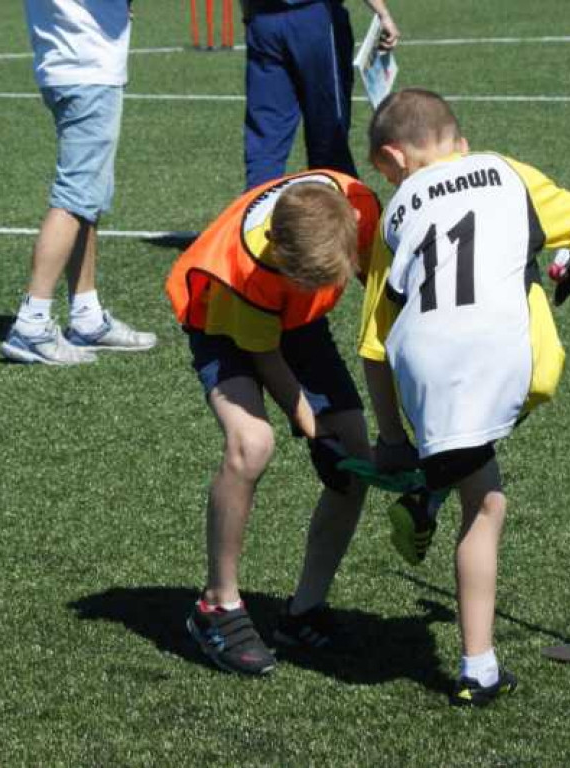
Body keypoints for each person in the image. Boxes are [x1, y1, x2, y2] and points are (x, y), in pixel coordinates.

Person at [357, 89, 570, 706]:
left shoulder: (397, 212)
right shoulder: (507, 171)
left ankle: (430, 483)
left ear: (394, 158)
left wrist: (392, 440)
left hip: (421, 370)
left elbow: (374, 345)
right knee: (486, 501)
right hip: (518, 367)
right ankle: (475, 665)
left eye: (387, 171)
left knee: (479, 484)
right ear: (461, 142)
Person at [165, 170, 381, 675]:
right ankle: (217, 607)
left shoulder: (359, 208)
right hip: (222, 321)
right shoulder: (250, 266)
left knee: (356, 454)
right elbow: (266, 357)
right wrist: (314, 432)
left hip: (297, 319)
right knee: (252, 444)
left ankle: (304, 609)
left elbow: (385, 302)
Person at [1, 0, 156, 365]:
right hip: (88, 66)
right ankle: (31, 325)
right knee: (75, 198)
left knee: (89, 197)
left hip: (64, 63)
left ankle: (86, 316)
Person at [242, 0, 400, 189]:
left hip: (263, 19)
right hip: (314, 17)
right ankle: (341, 211)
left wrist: (251, 14)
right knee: (329, 136)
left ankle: (255, 212)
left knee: (266, 138)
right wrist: (383, 14)